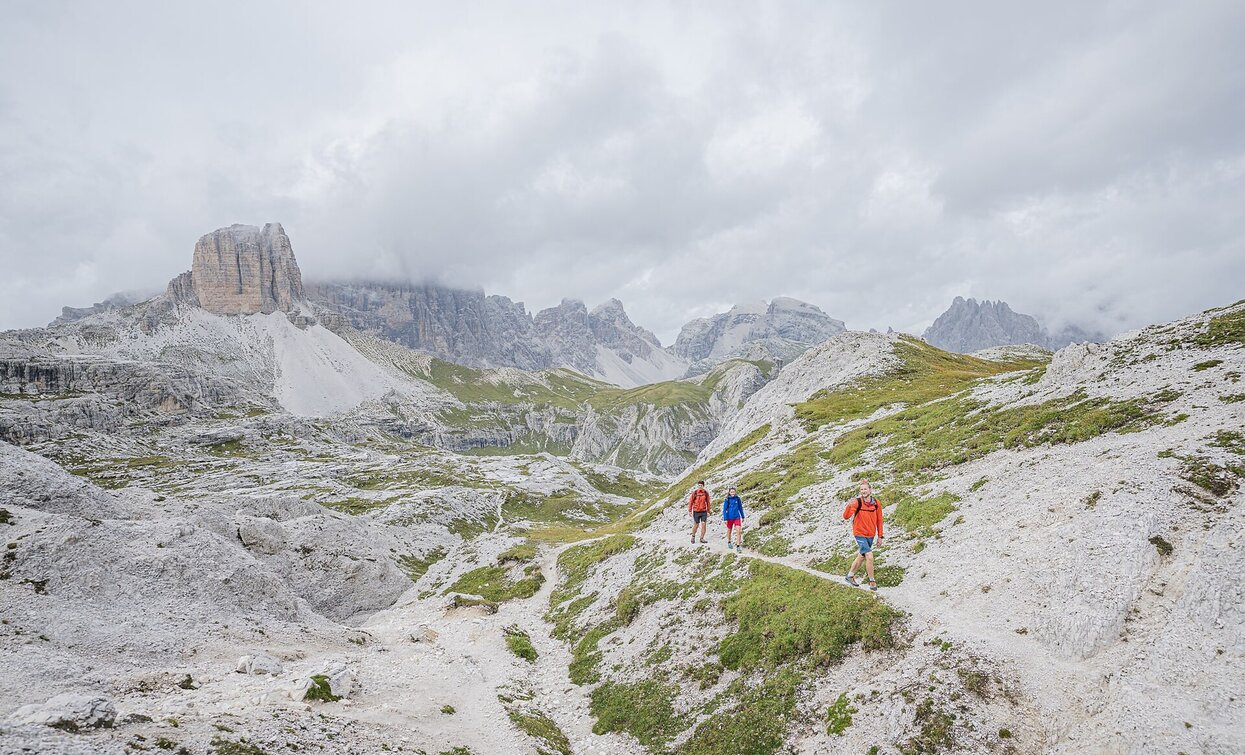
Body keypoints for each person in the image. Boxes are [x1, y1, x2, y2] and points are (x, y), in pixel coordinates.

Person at [842, 479, 884, 591]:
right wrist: (849, 506)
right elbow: (846, 517)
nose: (863, 491)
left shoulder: (876, 503)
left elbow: (880, 520)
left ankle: (850, 576)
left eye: (865, 489)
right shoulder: (857, 502)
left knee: (861, 556)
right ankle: (872, 581)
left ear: (870, 490)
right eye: (861, 489)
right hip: (859, 533)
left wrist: (880, 536)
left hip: (871, 535)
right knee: (869, 556)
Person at [722, 487, 745, 551]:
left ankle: (738, 546)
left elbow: (740, 508)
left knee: (739, 531)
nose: (732, 493)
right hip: (729, 517)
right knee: (729, 530)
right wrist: (725, 519)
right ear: (729, 492)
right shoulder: (727, 499)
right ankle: (729, 542)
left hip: (737, 517)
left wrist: (743, 516)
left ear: (735, 492)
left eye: (733, 492)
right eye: (731, 492)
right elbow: (724, 510)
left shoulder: (738, 499)